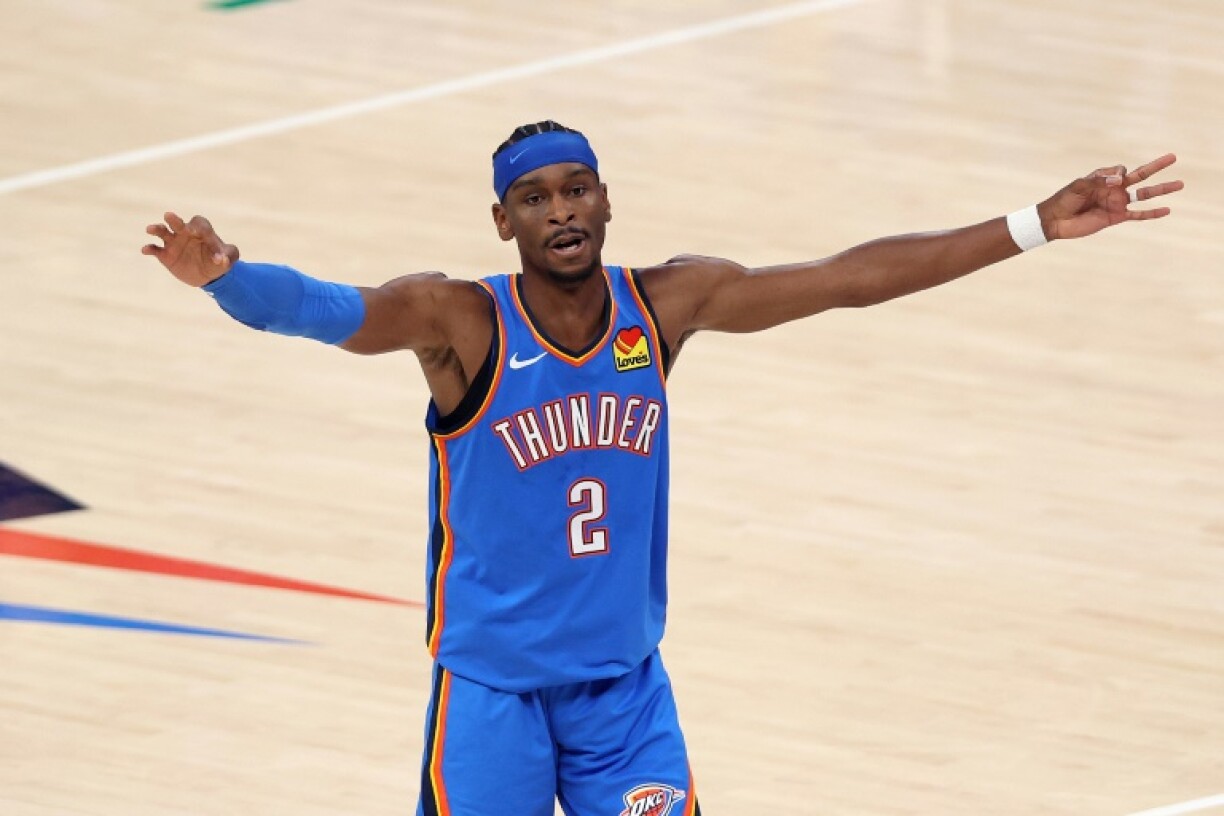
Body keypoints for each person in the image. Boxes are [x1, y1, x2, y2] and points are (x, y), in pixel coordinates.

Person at [142, 120, 1182, 816]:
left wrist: (1033, 225)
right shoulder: (457, 319)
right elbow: (329, 311)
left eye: (578, 188)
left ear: (605, 202)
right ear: (502, 221)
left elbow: (847, 280)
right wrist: (227, 277)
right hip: (494, 693)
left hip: (623, 694)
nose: (561, 210)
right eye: (535, 197)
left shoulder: (668, 306)